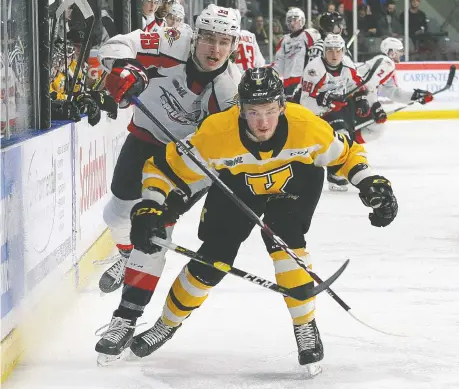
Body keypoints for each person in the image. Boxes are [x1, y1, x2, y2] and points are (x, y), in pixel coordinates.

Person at [94, 67, 398, 373]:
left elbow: (347, 155)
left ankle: (305, 327)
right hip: (238, 185)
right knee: (212, 259)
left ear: (282, 105)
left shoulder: (306, 126)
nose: (263, 122)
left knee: (286, 244)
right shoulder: (216, 133)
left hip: (295, 185)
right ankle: (166, 324)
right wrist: (151, 205)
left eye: (269, 111)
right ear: (240, 109)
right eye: (253, 112)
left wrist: (372, 182)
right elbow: (163, 168)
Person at [95, 4, 242, 295]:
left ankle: (128, 312)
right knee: (116, 214)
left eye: (224, 42)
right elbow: (113, 46)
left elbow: (229, 143)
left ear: (234, 46)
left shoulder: (231, 89)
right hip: (146, 138)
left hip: (183, 160)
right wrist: (128, 68)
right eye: (208, 39)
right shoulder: (172, 41)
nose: (215, 49)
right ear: (195, 36)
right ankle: (126, 255)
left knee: (154, 226)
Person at [300, 34, 370, 191]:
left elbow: (356, 85)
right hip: (318, 111)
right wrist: (325, 99)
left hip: (340, 108)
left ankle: (337, 171)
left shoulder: (347, 64)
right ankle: (334, 173)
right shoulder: (314, 69)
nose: (334, 54)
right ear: (324, 51)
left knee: (346, 136)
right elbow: (305, 102)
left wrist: (361, 99)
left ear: (343, 51)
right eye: (330, 50)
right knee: (339, 135)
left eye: (338, 50)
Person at [354, 37, 433, 144]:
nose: (402, 53)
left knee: (376, 128)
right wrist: (375, 106)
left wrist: (415, 96)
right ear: (391, 52)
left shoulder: (384, 63)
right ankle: (347, 143)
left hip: (356, 97)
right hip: (354, 98)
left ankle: (346, 142)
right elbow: (368, 84)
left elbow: (393, 92)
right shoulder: (386, 63)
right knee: (376, 129)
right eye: (399, 51)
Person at [272, 8, 316, 99]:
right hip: (287, 82)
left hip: (304, 81)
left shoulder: (308, 34)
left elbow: (317, 55)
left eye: (295, 20)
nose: (292, 23)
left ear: (302, 20)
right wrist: (270, 73)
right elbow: (279, 63)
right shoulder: (284, 40)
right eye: (289, 20)